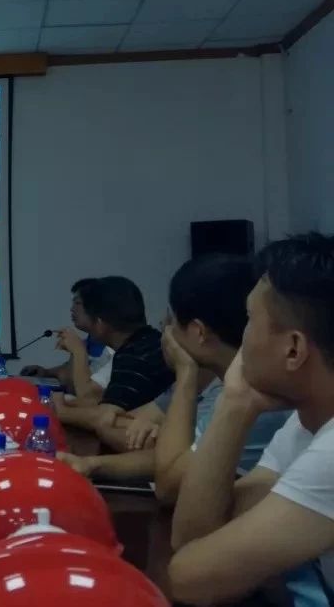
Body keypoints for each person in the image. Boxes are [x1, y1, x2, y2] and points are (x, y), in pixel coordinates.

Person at [169, 234, 334, 605]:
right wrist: (237, 404)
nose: (241, 337)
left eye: (249, 319)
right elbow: (197, 536)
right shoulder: (305, 422)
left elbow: (190, 580)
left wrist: (234, 397)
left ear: (293, 349)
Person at [61, 255, 289, 491]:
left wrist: (185, 372)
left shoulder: (254, 397)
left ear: (198, 332)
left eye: (171, 320)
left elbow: (170, 483)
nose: (164, 329)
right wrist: (90, 464)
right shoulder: (228, 384)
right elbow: (175, 458)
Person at [54, 276, 174, 449]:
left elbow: (103, 415)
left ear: (100, 323)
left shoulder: (135, 354)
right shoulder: (145, 342)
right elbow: (111, 413)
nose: (72, 309)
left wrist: (61, 411)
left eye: (79, 304)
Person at [20, 278, 114, 401]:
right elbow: (69, 374)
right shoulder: (89, 341)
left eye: (77, 303)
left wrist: (78, 351)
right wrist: (46, 372)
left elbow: (84, 393)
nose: (72, 309)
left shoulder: (112, 349)